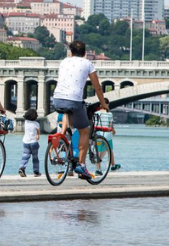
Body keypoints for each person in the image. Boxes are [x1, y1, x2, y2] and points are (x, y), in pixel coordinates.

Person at [52, 40, 109, 179]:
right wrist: (103, 104)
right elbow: (97, 87)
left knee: (70, 119)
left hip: (57, 99)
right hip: (74, 100)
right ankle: (81, 165)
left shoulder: (64, 62)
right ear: (85, 53)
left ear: (70, 52)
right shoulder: (88, 64)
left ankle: (65, 142)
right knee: (84, 131)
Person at [95, 98, 121, 171]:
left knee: (98, 152)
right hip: (107, 134)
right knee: (110, 150)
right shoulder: (109, 114)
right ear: (107, 104)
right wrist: (113, 131)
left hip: (98, 134)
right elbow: (110, 125)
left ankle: (98, 169)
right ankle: (113, 165)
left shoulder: (96, 113)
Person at [18, 108, 41, 177]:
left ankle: (22, 168)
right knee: (35, 158)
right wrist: (37, 135)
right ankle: (36, 172)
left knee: (25, 156)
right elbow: (38, 134)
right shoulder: (36, 124)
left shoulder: (26, 122)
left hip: (26, 142)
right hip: (33, 142)